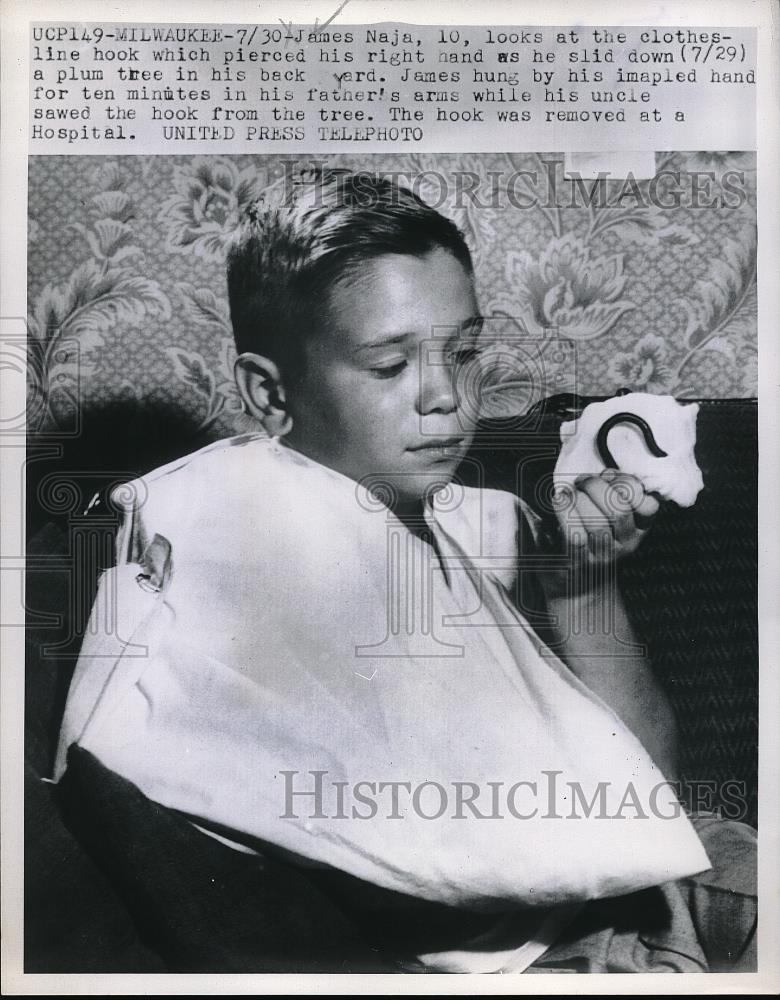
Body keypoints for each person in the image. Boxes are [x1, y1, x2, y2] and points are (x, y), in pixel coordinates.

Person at [53, 168, 756, 973]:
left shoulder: (476, 521)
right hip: (565, 948)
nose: (448, 400)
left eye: (464, 352)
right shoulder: (240, 525)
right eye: (390, 367)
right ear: (269, 394)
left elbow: (653, 794)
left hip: (671, 879)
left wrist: (584, 585)